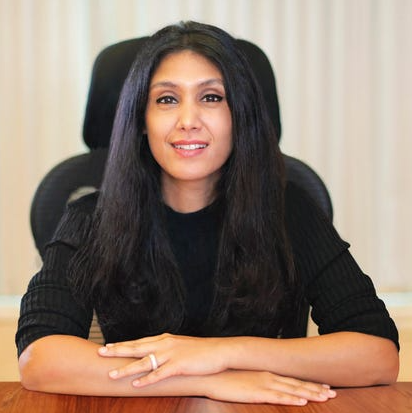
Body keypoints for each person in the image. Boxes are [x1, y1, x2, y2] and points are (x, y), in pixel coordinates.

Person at [16, 21, 399, 405]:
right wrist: (203, 381)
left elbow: (377, 354)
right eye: (167, 99)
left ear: (239, 115)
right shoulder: (92, 218)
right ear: (141, 120)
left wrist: (220, 355)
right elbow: (40, 358)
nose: (188, 121)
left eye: (212, 97)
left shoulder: (288, 209)